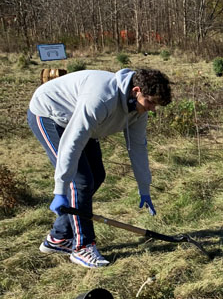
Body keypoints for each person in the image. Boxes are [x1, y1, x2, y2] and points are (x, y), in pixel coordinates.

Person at [28, 68, 172, 268]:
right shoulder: (101, 98)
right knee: (81, 182)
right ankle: (82, 248)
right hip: (50, 114)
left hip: (82, 121)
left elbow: (138, 147)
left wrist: (144, 188)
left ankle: (59, 238)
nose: (153, 109)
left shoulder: (138, 109)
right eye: (151, 102)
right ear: (136, 90)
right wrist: (60, 190)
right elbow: (72, 143)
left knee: (97, 175)